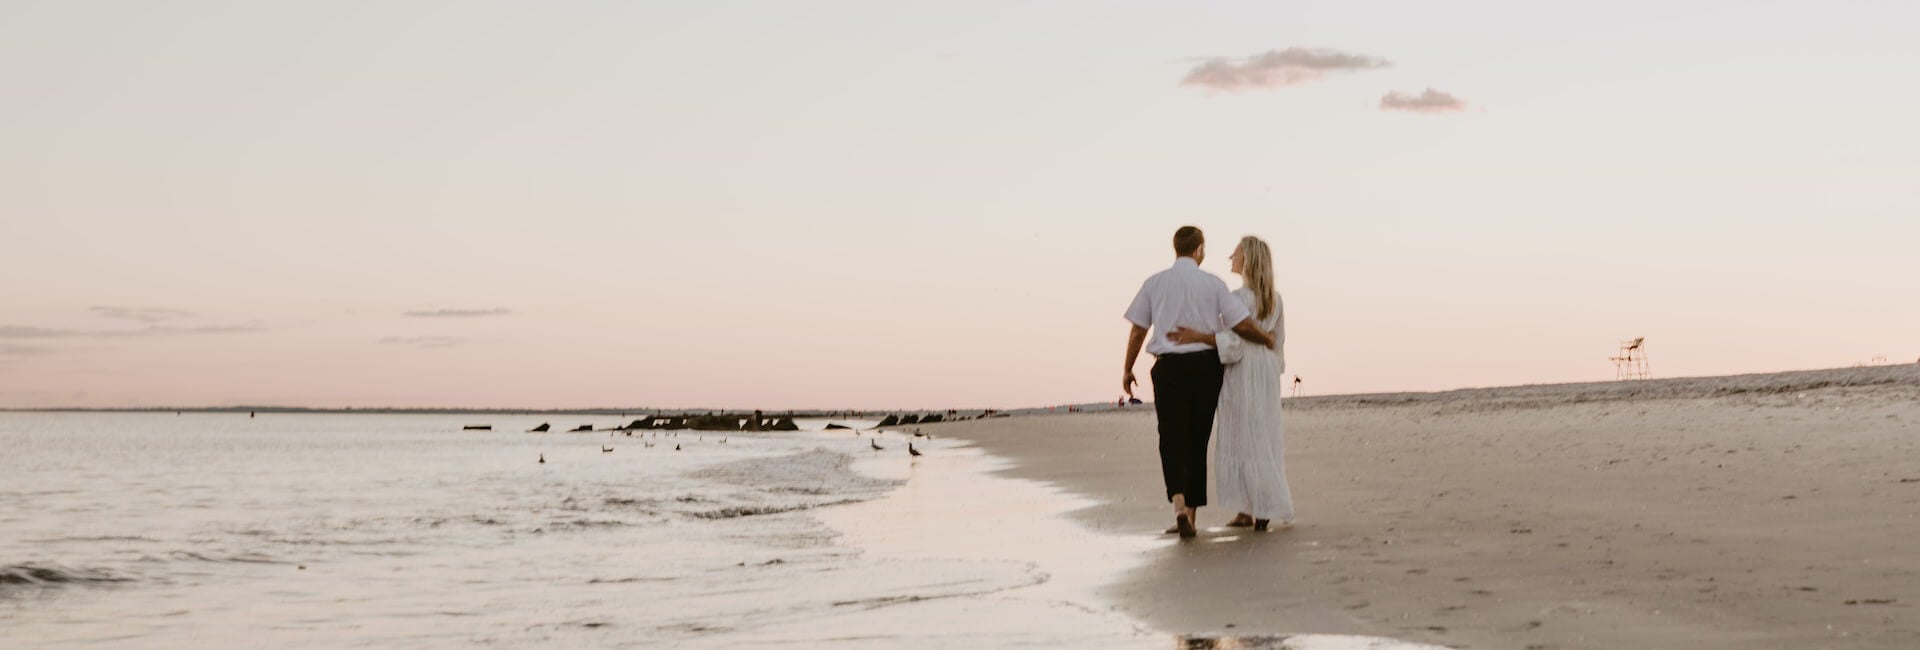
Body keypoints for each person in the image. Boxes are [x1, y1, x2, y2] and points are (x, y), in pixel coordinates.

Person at [1123, 226, 1275, 538]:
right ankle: (1190, 517)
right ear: (1200, 250)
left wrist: (1127, 369)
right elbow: (1241, 324)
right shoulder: (1213, 284)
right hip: (1206, 367)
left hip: (1168, 368)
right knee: (1196, 441)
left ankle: (1180, 506)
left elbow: (1138, 329)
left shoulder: (1154, 283)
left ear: (1175, 248)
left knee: (1171, 438)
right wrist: (1267, 339)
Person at [1169, 236, 1294, 531]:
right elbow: (1278, 343)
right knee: (1263, 435)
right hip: (1265, 369)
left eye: (1235, 254)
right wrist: (1271, 367)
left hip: (1242, 369)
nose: (1230, 258)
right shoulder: (1275, 299)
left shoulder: (1236, 299)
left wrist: (1199, 337)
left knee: (1240, 435)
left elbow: (1233, 342)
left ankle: (1248, 510)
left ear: (1247, 260)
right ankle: (1258, 506)